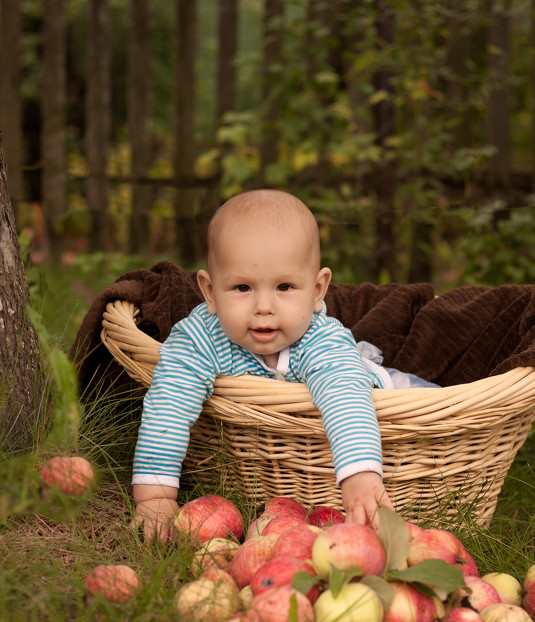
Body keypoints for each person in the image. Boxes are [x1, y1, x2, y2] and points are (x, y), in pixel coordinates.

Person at [131, 189, 428, 541]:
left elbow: (345, 397)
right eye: (242, 287)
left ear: (317, 291)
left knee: (431, 401)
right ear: (210, 292)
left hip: (375, 391)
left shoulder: (321, 341)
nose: (264, 307)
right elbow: (169, 402)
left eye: (284, 286)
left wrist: (360, 476)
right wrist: (155, 497)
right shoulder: (200, 338)